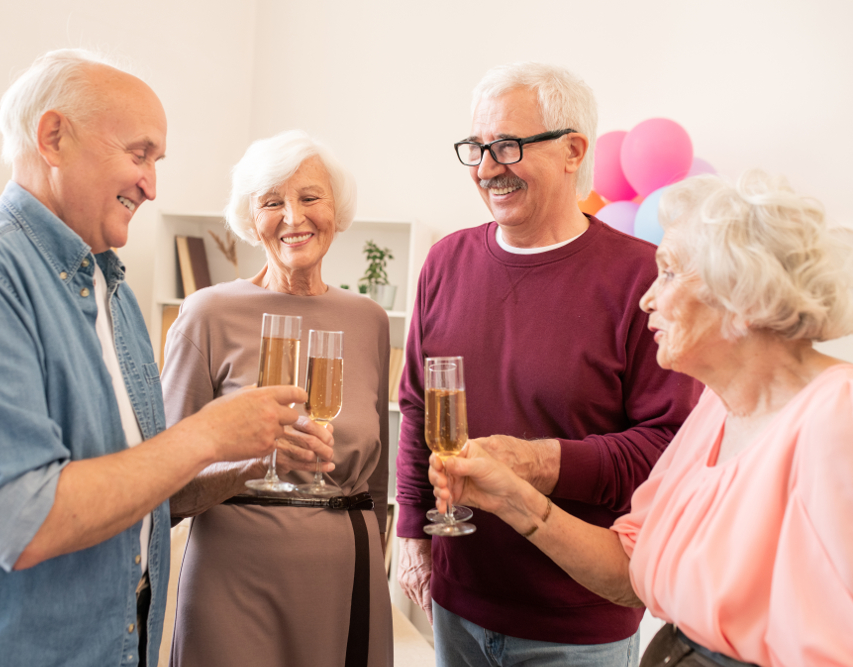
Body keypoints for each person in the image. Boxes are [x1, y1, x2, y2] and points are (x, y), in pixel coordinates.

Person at [0, 50, 321, 667]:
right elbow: (21, 521)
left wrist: (238, 466)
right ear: (53, 137)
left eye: (156, 162)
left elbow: (135, 492)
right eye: (139, 155)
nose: (152, 185)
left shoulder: (111, 291)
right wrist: (206, 436)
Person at [429, 169, 853, 667]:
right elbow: (631, 569)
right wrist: (512, 498)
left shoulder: (834, 419)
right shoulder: (716, 409)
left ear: (744, 297)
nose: (649, 298)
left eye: (670, 273)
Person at [395, 61, 702, 666]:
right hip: (455, 607)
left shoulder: (644, 277)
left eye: (506, 147)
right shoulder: (444, 261)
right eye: (477, 148)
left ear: (573, 151)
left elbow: (666, 447)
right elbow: (416, 408)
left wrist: (537, 463)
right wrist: (411, 533)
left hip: (578, 626)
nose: (486, 169)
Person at [162, 129, 394, 667]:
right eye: (272, 202)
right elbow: (162, 487)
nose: (293, 217)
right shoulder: (206, 314)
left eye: (310, 197)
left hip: (347, 576)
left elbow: (376, 477)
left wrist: (374, 561)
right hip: (235, 581)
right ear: (251, 217)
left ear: (337, 208)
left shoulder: (368, 321)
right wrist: (253, 465)